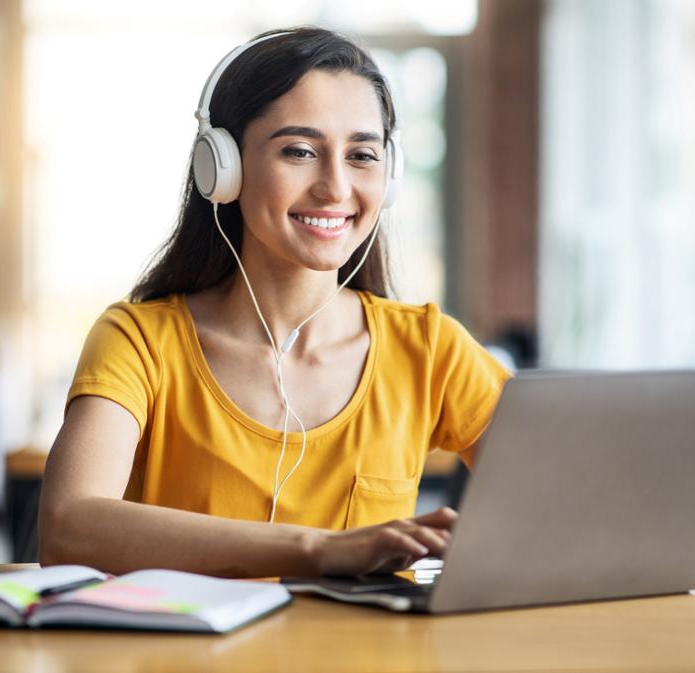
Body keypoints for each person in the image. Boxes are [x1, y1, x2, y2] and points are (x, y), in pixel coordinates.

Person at [38, 27, 510, 578]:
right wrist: (318, 550)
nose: (335, 187)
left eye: (362, 154)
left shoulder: (431, 350)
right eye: (300, 151)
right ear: (223, 168)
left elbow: (569, 500)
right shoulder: (140, 341)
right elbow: (68, 526)